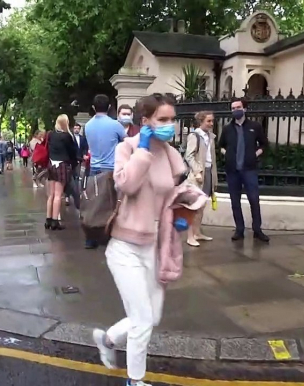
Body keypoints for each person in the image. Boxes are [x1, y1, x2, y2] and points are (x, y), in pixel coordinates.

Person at [92, 93, 186, 386]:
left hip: (155, 247)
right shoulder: (127, 148)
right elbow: (127, 185)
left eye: (172, 119)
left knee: (152, 316)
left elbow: (172, 194)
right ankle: (135, 380)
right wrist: (142, 150)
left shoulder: (171, 154)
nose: (170, 125)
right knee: (142, 319)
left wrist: (180, 215)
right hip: (125, 248)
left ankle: (108, 340)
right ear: (145, 122)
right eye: (163, 119)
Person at [218, 98, 270, 243]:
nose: (236, 110)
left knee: (254, 199)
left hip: (249, 170)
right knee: (235, 201)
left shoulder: (255, 126)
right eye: (233, 108)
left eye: (238, 107)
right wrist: (227, 154)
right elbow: (221, 145)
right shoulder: (227, 129)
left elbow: (264, 144)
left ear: (245, 109)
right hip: (232, 170)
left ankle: (257, 230)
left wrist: (255, 154)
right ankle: (239, 229)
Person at [83, 94, 126, 249]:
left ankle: (91, 237)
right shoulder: (115, 125)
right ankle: (110, 235)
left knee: (93, 203)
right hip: (111, 169)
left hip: (94, 168)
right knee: (112, 204)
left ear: (93, 108)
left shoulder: (87, 126)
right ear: (109, 107)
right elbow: (126, 142)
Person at [184, 111, 217, 247]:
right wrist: (197, 171)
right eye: (208, 121)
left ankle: (197, 233)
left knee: (202, 205)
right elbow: (189, 156)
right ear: (201, 121)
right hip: (198, 175)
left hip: (208, 172)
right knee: (193, 207)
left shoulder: (210, 136)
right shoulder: (195, 136)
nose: (211, 124)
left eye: (212, 121)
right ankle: (190, 236)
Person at [45, 115, 77, 230]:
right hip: (62, 165)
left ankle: (48, 220)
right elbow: (72, 152)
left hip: (51, 164)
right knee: (58, 195)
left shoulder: (51, 134)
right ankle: (55, 221)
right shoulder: (67, 136)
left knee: (51, 195)